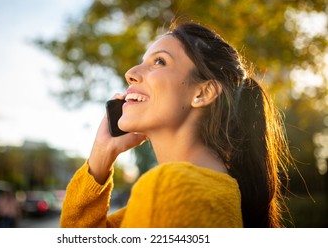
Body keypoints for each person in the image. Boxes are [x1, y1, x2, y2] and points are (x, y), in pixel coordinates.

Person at [60, 20, 291, 228]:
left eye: (159, 61)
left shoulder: (171, 190)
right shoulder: (214, 192)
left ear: (203, 93)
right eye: (142, 62)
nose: (130, 73)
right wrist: (103, 152)